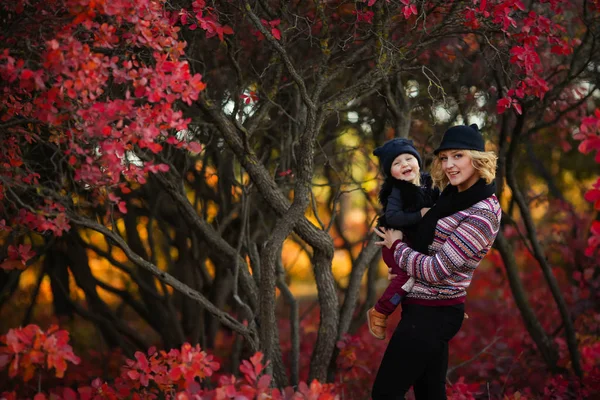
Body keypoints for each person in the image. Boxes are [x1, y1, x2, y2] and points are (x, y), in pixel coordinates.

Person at [371, 124, 502, 400]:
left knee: (385, 392)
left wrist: (397, 247)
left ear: (477, 159)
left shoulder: (483, 212)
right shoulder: (452, 195)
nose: (449, 165)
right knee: (430, 393)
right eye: (444, 158)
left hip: (434, 312)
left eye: (458, 156)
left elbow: (436, 269)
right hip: (424, 306)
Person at [367, 138, 439, 340]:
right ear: (391, 173)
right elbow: (392, 217)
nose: (405, 164)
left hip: (413, 243)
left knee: (431, 268)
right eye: (397, 163)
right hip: (394, 242)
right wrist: (420, 215)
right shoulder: (397, 191)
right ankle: (380, 311)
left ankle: (443, 304)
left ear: (418, 161)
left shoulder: (429, 184)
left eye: (409, 158)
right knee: (408, 277)